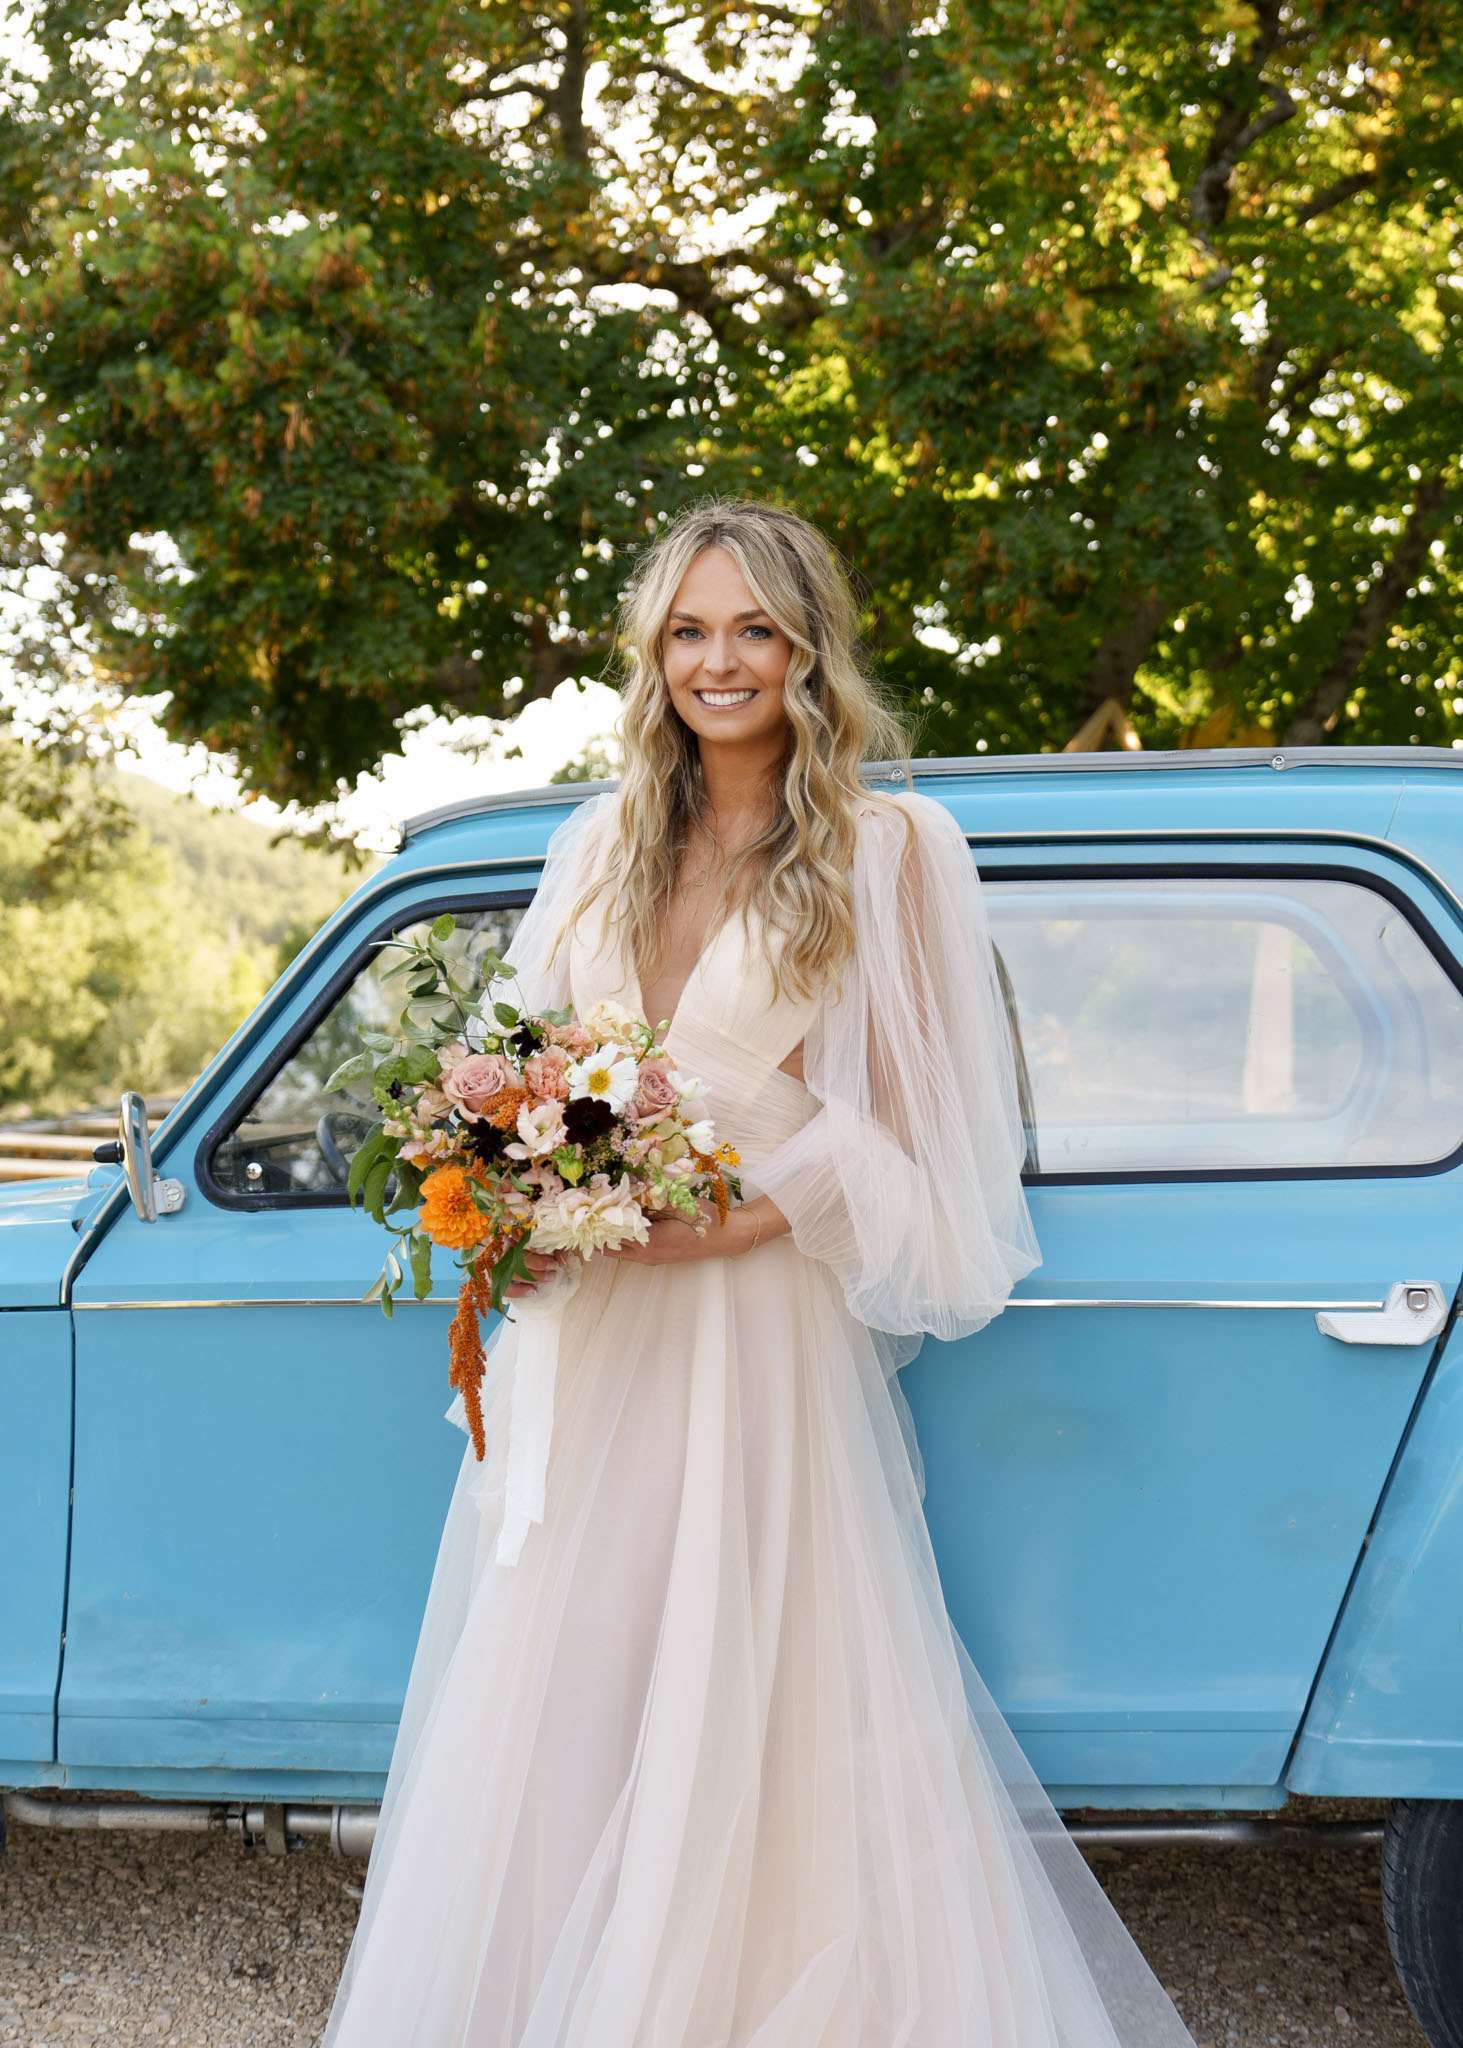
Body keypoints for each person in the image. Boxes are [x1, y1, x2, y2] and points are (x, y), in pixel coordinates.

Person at [320, 498, 1200, 2046]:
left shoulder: (891, 846)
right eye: (688, 632)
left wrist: (738, 1215)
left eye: (753, 630)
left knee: (761, 1682)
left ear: (807, 649)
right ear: (651, 658)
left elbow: (924, 1139)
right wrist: (515, 1186)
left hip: (754, 1323)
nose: (719, 663)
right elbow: (525, 1066)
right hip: (595, 1330)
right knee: (570, 1684)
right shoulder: (599, 842)